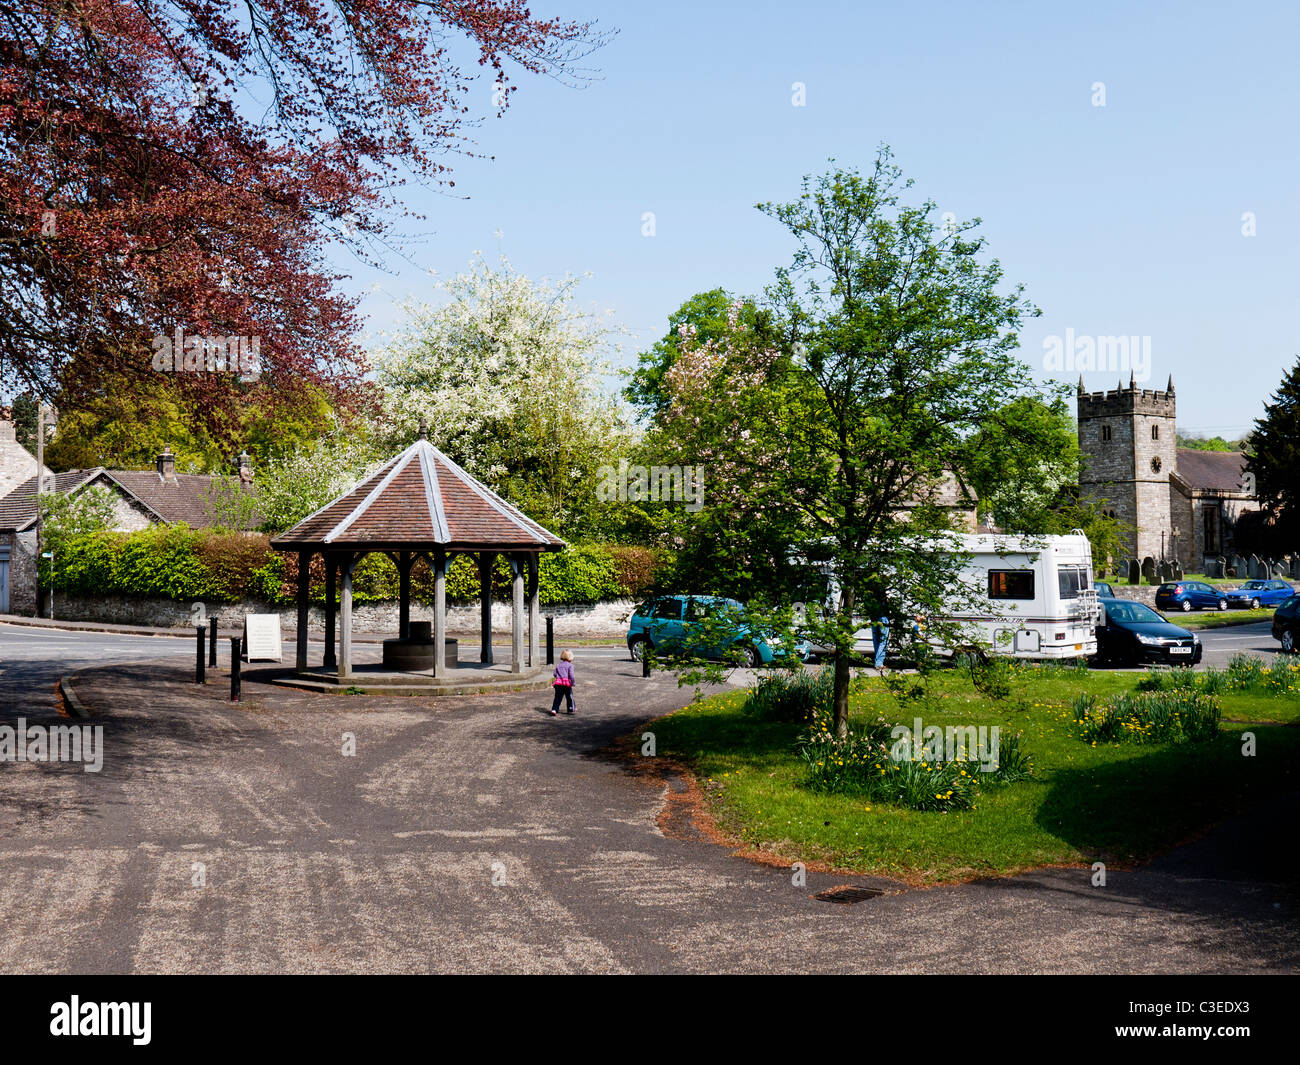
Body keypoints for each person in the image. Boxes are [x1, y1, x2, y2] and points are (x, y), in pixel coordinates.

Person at [550, 649, 575, 716]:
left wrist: (558, 677)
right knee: (569, 696)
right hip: (566, 683)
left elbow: (554, 673)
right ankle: (570, 709)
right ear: (570, 657)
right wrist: (572, 682)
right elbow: (571, 676)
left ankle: (554, 709)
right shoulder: (570, 666)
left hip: (558, 683)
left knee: (557, 697)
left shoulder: (559, 665)